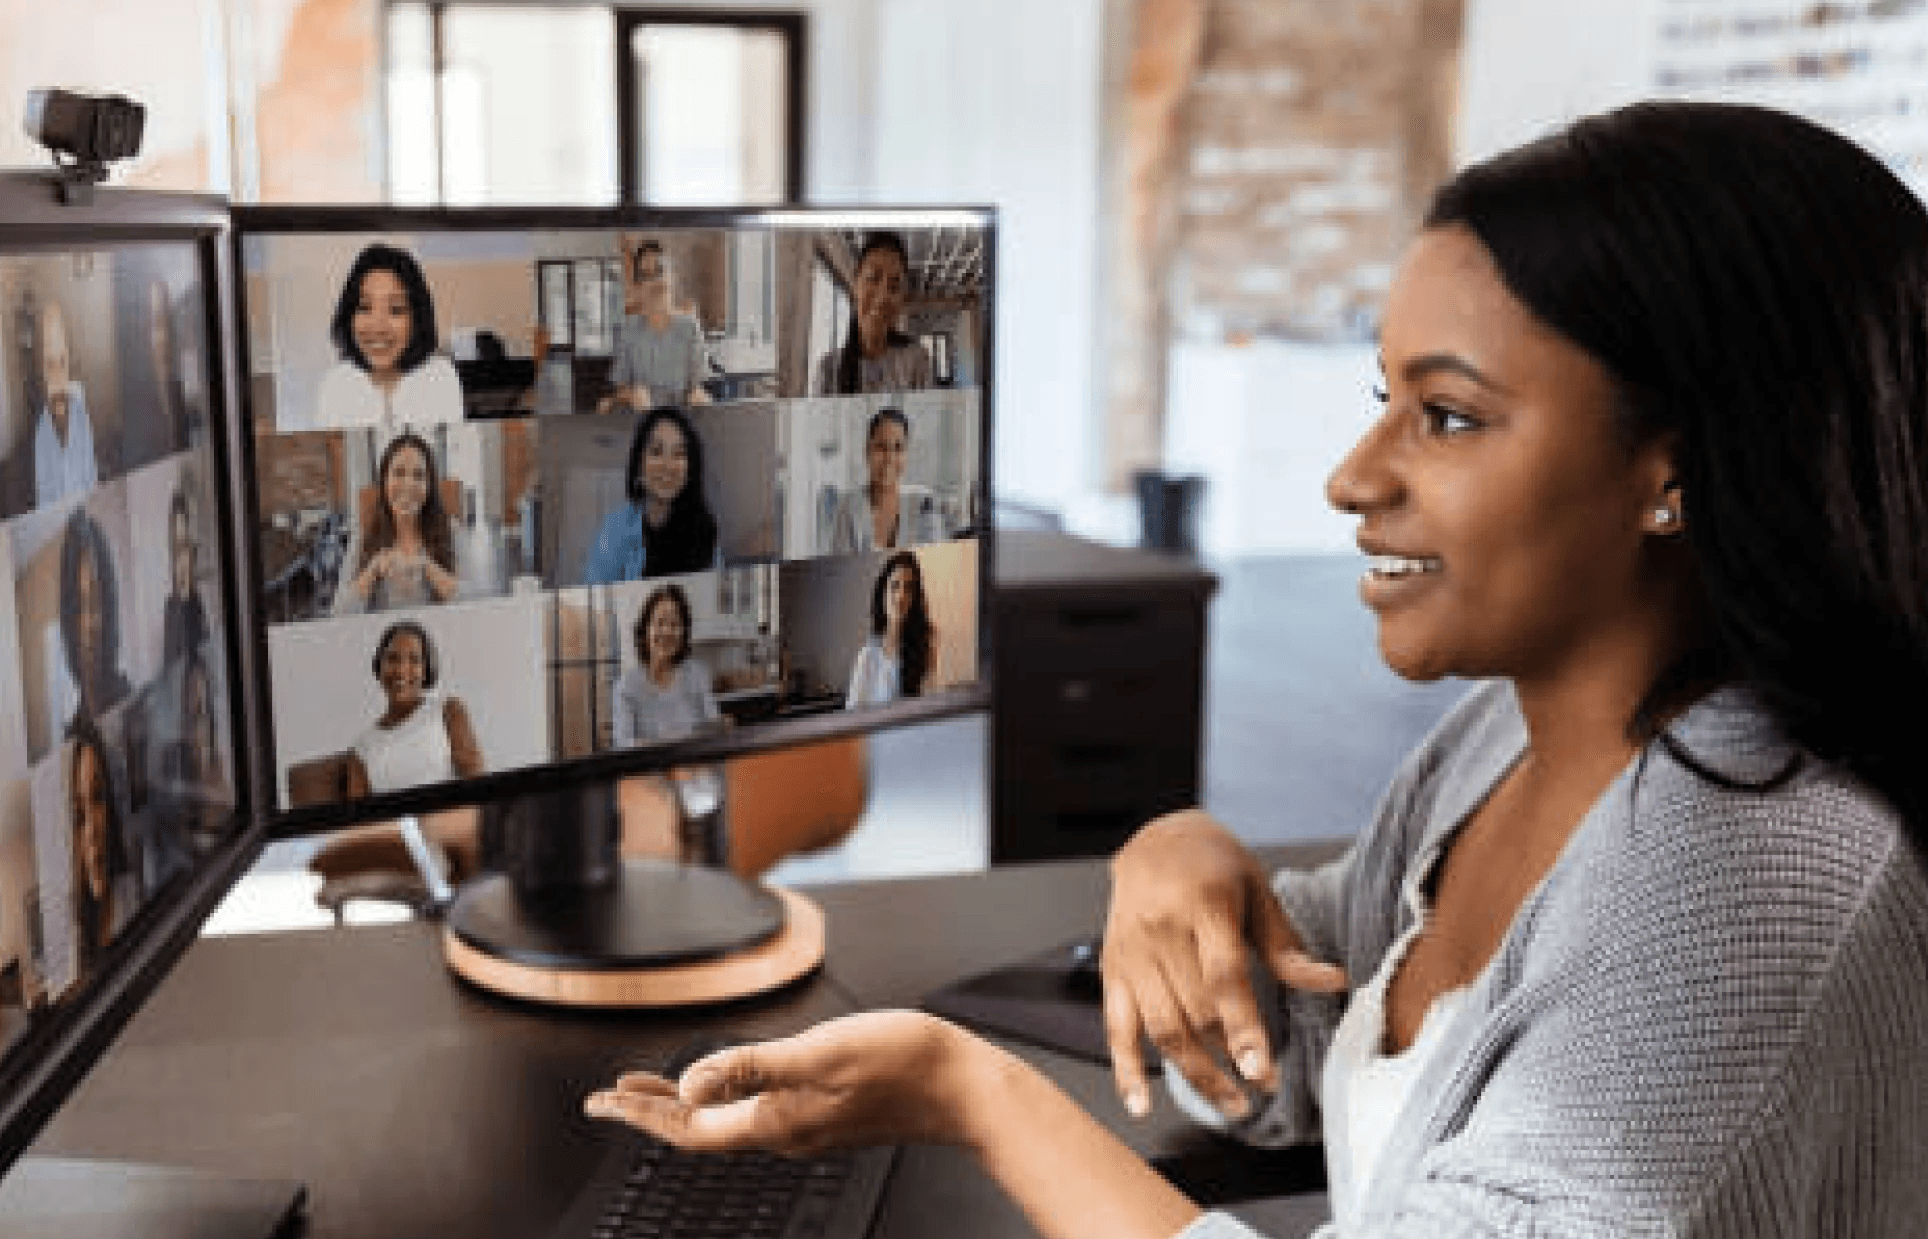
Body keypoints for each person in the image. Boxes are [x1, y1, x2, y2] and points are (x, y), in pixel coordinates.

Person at [585, 102, 1928, 1239]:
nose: (1354, 477)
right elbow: (1293, 1037)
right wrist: (1176, 855)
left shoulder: (1753, 892)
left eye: (1448, 415)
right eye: (1381, 397)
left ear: (1675, 468)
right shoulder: (1501, 743)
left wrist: (970, 1089)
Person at [313, 243, 463, 433]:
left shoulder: (440, 378)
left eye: (396, 310)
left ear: (416, 318)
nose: (378, 327)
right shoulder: (335, 385)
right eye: (364, 308)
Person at [344, 620, 484, 797]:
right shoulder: (361, 747)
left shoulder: (448, 710)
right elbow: (359, 820)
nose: (402, 670)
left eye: (414, 659)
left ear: (426, 670)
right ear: (379, 666)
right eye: (393, 658)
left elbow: (477, 784)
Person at [582, 408, 720, 584]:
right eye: (656, 451)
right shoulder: (615, 527)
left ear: (690, 468)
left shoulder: (705, 529)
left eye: (679, 453)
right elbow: (594, 594)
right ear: (639, 462)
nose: (667, 465)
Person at [333, 431, 461, 614]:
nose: (408, 485)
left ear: (429, 486)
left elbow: (474, 603)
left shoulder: (451, 531)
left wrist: (428, 568)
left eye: (419, 476)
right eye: (398, 473)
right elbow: (338, 612)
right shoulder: (364, 537)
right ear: (384, 481)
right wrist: (372, 570)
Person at [812, 232, 934, 396]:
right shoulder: (828, 371)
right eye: (873, 278)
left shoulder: (916, 361)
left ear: (901, 300)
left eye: (894, 286)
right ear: (855, 286)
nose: (883, 296)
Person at [597, 239, 712, 413]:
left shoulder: (690, 327)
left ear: (671, 277)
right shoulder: (630, 330)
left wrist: (700, 397)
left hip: (679, 420)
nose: (655, 282)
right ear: (639, 288)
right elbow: (620, 389)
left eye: (660, 271)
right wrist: (631, 395)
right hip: (641, 421)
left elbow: (697, 386)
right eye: (646, 275)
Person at [823, 407, 946, 555]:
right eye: (881, 447)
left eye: (898, 448)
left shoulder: (923, 503)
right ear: (867, 451)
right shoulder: (848, 508)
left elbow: (934, 565)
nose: (890, 458)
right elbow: (840, 572)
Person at [612, 583, 721, 747]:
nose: (667, 631)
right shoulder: (626, 687)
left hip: (696, 767)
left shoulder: (698, 674)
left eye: (675, 624)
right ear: (645, 631)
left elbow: (713, 727)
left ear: (684, 632)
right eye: (660, 622)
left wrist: (720, 727)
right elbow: (622, 745)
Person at [68, 718, 130, 977]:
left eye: (98, 798)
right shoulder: (77, 946)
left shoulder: (131, 914)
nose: (92, 831)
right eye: (80, 816)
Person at [60, 507, 132, 724]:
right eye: (80, 607)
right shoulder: (74, 727)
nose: (89, 623)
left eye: (96, 602)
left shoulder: (129, 703)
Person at [845, 550, 935, 708]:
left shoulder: (923, 650)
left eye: (908, 589)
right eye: (895, 586)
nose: (901, 596)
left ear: (915, 598)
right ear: (883, 593)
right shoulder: (867, 657)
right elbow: (851, 717)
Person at [33, 299, 100, 507]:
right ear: (41, 368)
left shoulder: (82, 413)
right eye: (49, 363)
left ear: (69, 360)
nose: (56, 373)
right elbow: (43, 499)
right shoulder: (41, 433)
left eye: (61, 361)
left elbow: (91, 475)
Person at [161, 487, 208, 663]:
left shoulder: (202, 604)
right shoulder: (171, 610)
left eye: (187, 547)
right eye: (177, 549)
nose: (181, 561)